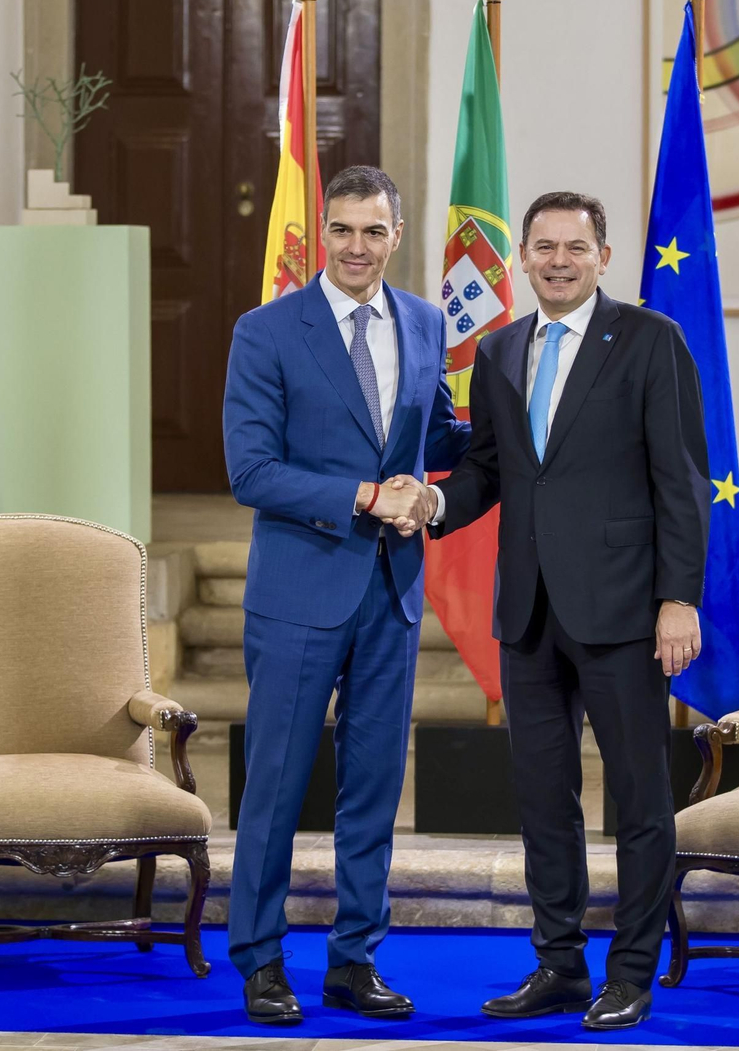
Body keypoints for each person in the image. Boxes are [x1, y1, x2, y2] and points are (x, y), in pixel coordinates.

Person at [424, 191, 712, 1030]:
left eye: (574, 247)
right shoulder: (503, 348)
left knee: (639, 797)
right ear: (522, 257)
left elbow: (682, 482)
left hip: (626, 610)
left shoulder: (652, 341)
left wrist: (679, 597)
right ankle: (557, 962)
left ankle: (631, 971)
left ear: (603, 257)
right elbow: (490, 470)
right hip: (530, 613)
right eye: (543, 246)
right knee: (542, 797)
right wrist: (434, 504)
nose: (557, 260)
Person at [222, 165, 468, 1024]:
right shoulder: (266, 331)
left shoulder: (427, 322)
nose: (356, 247)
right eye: (342, 231)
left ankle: (354, 960)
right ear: (320, 235)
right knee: (277, 787)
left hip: (391, 592)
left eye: (373, 231)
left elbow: (435, 432)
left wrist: (534, 427)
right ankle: (258, 960)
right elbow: (250, 470)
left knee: (371, 788)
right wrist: (365, 498)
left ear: (396, 236)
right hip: (298, 593)